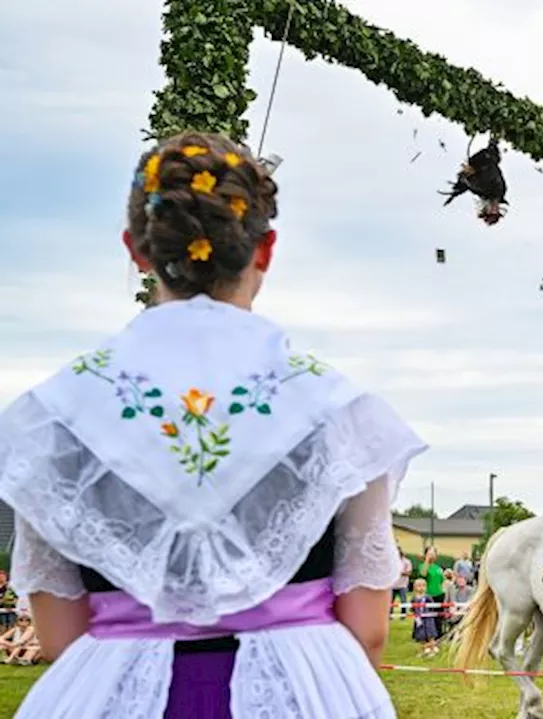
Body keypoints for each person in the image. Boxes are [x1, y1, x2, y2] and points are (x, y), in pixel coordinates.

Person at [0, 131, 429, 718]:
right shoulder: (339, 410)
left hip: (119, 690)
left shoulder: (54, 417)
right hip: (297, 688)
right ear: (265, 250)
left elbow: (59, 633)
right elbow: (369, 629)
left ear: (137, 251)